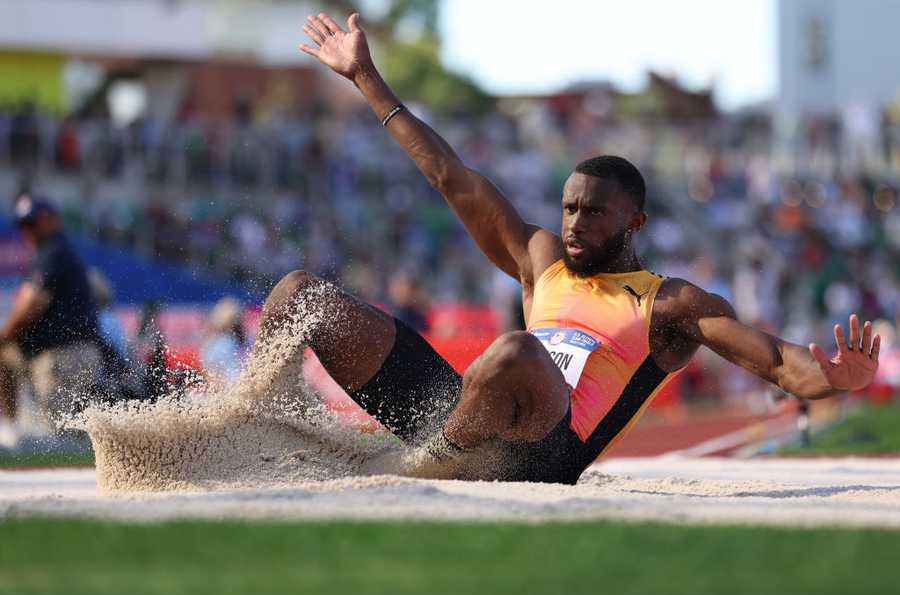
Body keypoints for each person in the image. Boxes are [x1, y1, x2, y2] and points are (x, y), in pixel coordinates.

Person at [248, 13, 882, 484]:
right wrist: (366, 76)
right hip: (462, 413)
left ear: (634, 221)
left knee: (517, 350)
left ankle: (428, 469)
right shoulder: (542, 260)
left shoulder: (670, 306)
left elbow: (773, 361)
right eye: (570, 207)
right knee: (299, 295)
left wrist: (832, 379)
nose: (576, 224)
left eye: (595, 213)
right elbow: (452, 177)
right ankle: (262, 431)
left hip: (540, 448)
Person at [0, 195, 103, 444]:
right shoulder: (46, 254)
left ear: (53, 221)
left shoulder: (55, 251)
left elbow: (31, 305)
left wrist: (3, 335)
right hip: (51, 351)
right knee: (4, 359)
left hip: (66, 352)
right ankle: (10, 428)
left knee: (59, 437)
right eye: (24, 224)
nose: (29, 230)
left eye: (34, 222)